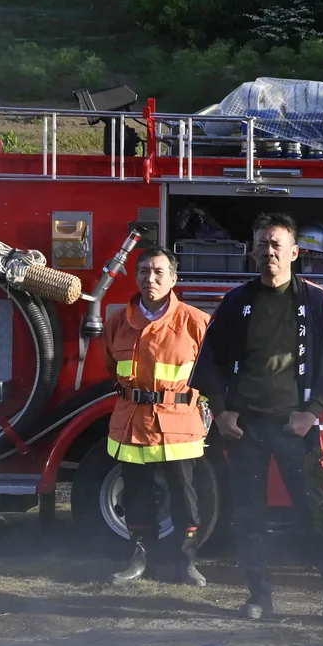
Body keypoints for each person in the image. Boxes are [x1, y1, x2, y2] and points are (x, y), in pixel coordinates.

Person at [190, 213, 323, 624]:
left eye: (277, 245)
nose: (269, 252)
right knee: (248, 514)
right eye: (262, 244)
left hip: (294, 426)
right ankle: (259, 598)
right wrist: (221, 411)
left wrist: (312, 413)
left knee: (315, 514)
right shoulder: (235, 302)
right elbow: (210, 360)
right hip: (245, 426)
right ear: (253, 251)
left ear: (295, 253)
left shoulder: (317, 302)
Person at [104, 246, 212, 586]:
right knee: (136, 494)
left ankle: (186, 563)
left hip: (178, 423)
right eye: (143, 272)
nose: (149, 279)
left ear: (173, 279)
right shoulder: (118, 323)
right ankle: (142, 561)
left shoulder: (196, 322)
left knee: (185, 496)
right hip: (131, 422)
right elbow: (112, 369)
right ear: (135, 277)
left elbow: (212, 372)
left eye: (158, 272)